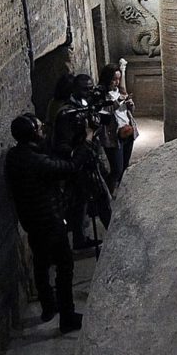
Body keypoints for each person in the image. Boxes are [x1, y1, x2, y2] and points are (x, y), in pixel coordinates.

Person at [4, 113, 90, 333]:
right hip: (50, 220)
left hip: (31, 221)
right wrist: (85, 144)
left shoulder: (14, 157)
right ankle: (68, 317)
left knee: (41, 264)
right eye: (40, 128)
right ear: (33, 133)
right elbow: (69, 168)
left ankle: (48, 307)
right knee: (64, 266)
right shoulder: (36, 160)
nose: (43, 130)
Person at [52, 73, 106, 249]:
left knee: (90, 201)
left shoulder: (88, 104)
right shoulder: (67, 113)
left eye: (91, 88)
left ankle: (84, 238)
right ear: (75, 89)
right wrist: (83, 142)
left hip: (90, 157)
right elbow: (62, 144)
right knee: (90, 201)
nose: (89, 92)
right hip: (78, 164)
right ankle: (84, 238)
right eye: (85, 89)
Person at [96, 63, 138, 195]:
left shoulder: (120, 91)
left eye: (118, 79)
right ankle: (106, 194)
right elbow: (102, 113)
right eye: (114, 79)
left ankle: (119, 193)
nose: (117, 82)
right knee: (117, 169)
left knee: (125, 166)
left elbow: (128, 112)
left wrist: (130, 105)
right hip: (112, 135)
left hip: (127, 131)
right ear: (107, 78)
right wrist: (116, 102)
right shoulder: (100, 95)